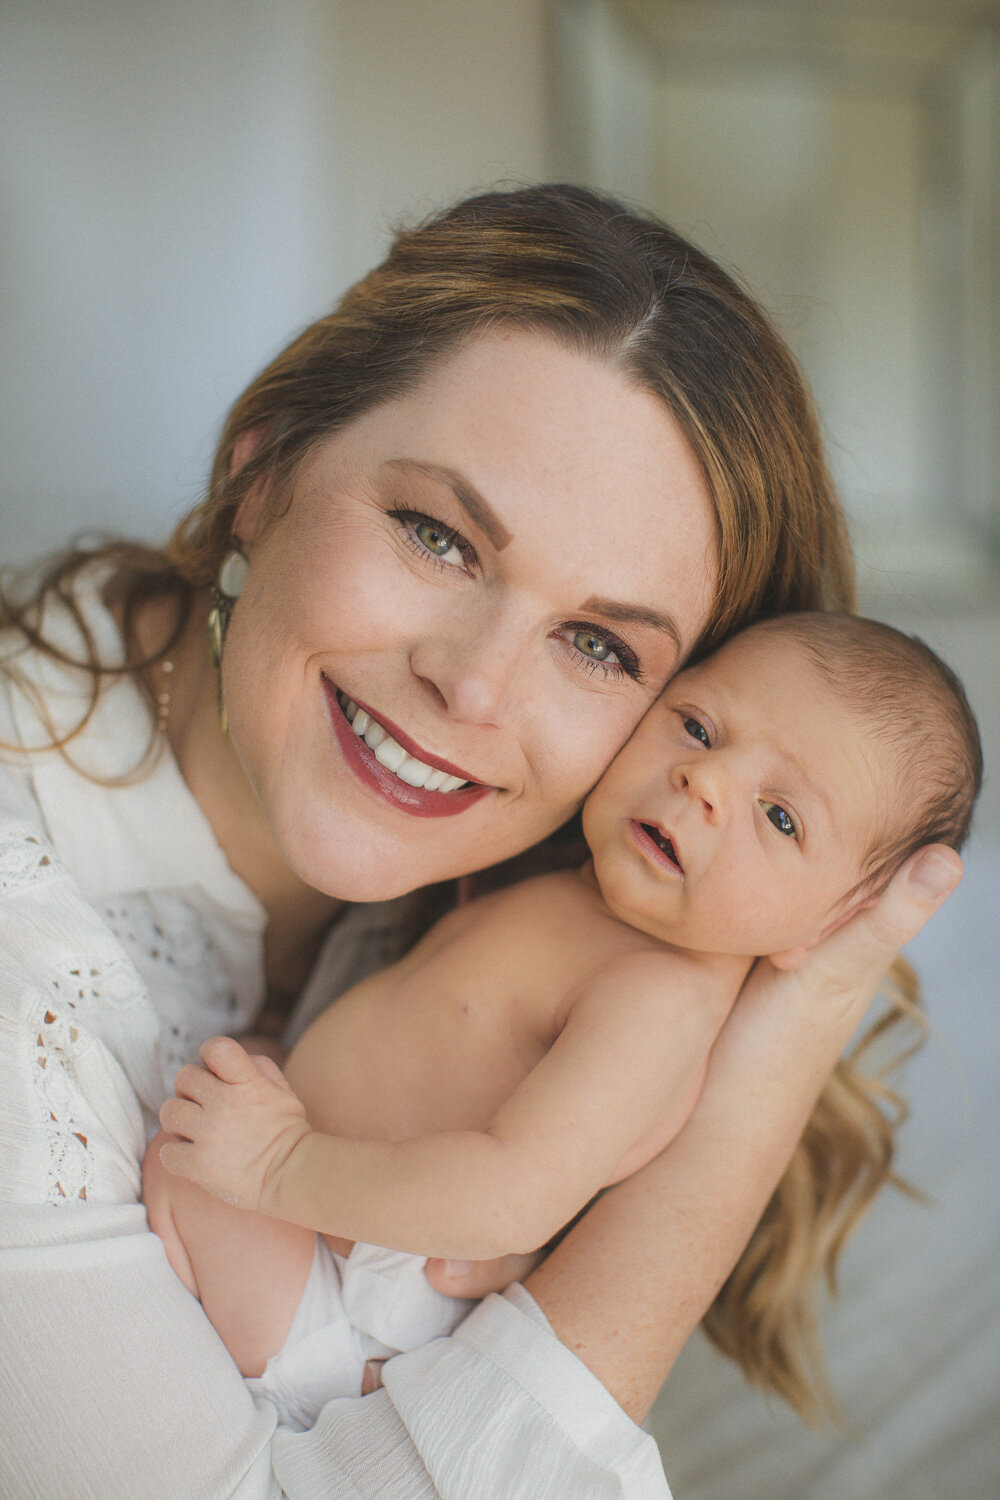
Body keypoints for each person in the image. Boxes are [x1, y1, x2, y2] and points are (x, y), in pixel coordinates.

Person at [0, 185, 964, 1499]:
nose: (476, 686)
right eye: (437, 534)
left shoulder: (550, 917)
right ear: (260, 467)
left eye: (599, 644)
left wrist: (789, 1018)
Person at [145, 611, 981, 1432]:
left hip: (342, 1298)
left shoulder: (658, 996)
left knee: (186, 1167)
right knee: (212, 1088)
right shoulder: (577, 893)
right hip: (322, 1223)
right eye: (697, 726)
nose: (709, 781)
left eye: (782, 817)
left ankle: (282, 1401)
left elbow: (513, 1200)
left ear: (829, 928)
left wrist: (278, 1167)